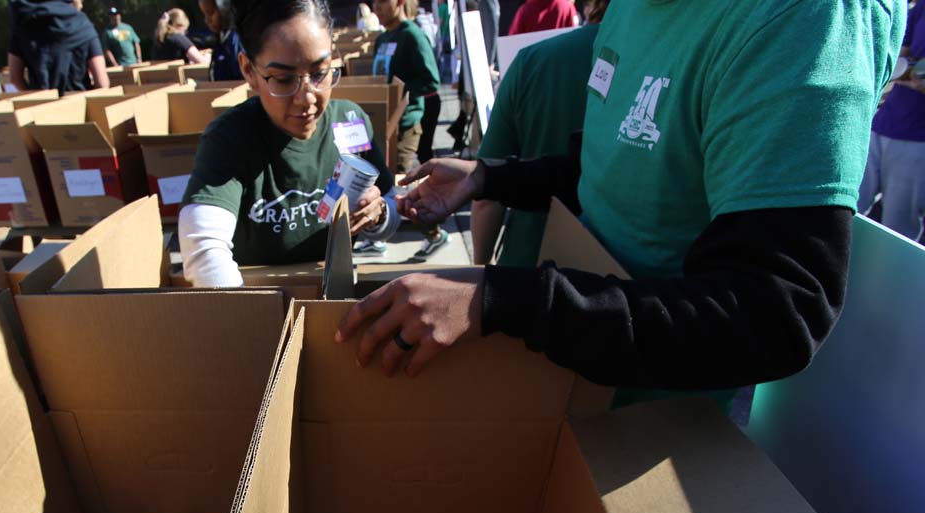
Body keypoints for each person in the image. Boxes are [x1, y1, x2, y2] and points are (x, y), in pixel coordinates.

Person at [336, 1, 902, 409]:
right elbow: (615, 163)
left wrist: (502, 298)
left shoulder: (801, 20)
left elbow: (776, 312)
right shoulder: (633, 9)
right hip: (582, 368)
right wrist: (488, 178)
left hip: (672, 419)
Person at [178, 0, 402, 287]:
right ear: (248, 70)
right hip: (256, 303)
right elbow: (203, 249)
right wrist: (252, 320)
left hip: (332, 296)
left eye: (321, 73)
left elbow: (392, 206)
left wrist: (379, 213)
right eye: (283, 80)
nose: (307, 97)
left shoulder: (350, 120)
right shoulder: (230, 138)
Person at [474, 2, 606, 267]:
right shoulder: (671, 61)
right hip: (633, 285)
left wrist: (480, 272)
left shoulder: (532, 62)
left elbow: (486, 198)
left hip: (528, 263)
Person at [371, 0, 447, 257]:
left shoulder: (413, 36)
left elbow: (431, 80)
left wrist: (401, 94)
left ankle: (434, 233)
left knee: (402, 185)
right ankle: (375, 233)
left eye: (382, 2)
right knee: (380, 182)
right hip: (381, 126)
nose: (376, 8)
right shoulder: (381, 39)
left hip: (405, 123)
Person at [859, 0, 925, 241]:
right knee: (847, 211)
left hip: (918, 142)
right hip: (882, 125)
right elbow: (901, 51)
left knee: (897, 234)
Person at [8, 0, 110, 93]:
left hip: (43, 108)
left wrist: (36, 97)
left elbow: (15, 78)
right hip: (81, 105)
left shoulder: (23, 26)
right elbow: (102, 82)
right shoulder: (83, 24)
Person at [199, 0, 244, 81]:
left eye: (210, 13)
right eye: (204, 15)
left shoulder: (235, 40)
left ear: (224, 10)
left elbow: (241, 79)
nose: (207, 20)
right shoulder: (220, 39)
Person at [507, 0, 579, 35]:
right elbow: (575, 39)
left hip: (534, 63)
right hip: (561, 61)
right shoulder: (567, 8)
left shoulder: (525, 10)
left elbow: (513, 41)